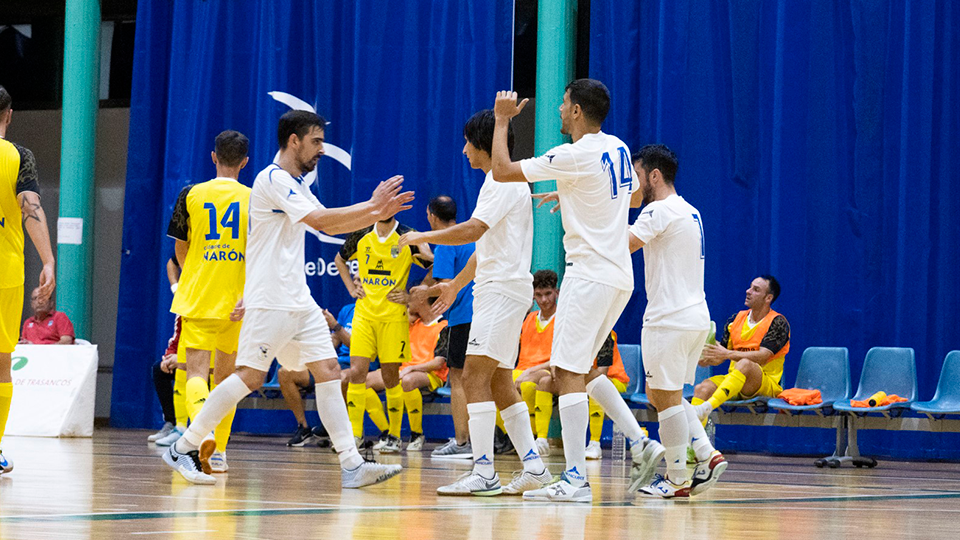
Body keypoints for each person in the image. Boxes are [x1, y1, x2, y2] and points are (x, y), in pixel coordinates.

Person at [161, 110, 410, 487]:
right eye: (316, 141)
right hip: (271, 298)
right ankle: (186, 445)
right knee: (249, 377)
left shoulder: (295, 182)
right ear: (293, 140)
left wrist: (374, 211)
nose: (322, 149)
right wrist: (373, 208)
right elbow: (323, 222)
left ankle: (351, 464)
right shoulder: (273, 179)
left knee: (328, 372)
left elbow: (327, 218)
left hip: (298, 299)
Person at [488, 81, 663, 502]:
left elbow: (502, 171)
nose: (559, 110)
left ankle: (575, 479)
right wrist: (571, 193)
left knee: (564, 372)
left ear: (579, 111)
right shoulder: (619, 147)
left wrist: (500, 120)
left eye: (565, 104)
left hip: (588, 275)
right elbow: (635, 195)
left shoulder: (572, 154)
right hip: (620, 274)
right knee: (581, 370)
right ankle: (641, 443)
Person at [400, 108, 551, 497]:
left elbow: (472, 230)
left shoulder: (501, 181)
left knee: (472, 376)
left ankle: (483, 470)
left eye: (468, 142)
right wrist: (453, 287)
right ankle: (533, 466)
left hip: (501, 293)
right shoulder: (499, 182)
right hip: (498, 289)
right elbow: (483, 247)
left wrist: (423, 236)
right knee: (500, 382)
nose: (464, 149)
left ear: (483, 144)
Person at [626, 144, 726, 498]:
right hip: (695, 315)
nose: (634, 186)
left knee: (665, 400)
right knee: (662, 394)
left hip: (668, 319)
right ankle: (705, 453)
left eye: (637, 177)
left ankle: (677, 479)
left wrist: (591, 212)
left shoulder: (658, 211)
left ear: (654, 176)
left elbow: (622, 244)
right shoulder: (690, 210)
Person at [166, 130, 252, 474]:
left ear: (213, 157)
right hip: (238, 301)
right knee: (228, 378)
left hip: (198, 297)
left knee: (196, 373)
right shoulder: (255, 198)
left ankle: (200, 437)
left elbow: (180, 249)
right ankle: (219, 452)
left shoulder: (190, 194)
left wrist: (199, 271)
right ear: (245, 163)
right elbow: (261, 251)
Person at [335, 215, 432, 453]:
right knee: (357, 372)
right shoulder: (362, 233)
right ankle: (355, 436)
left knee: (390, 377)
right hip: (364, 315)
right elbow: (339, 260)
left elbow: (433, 267)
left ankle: (394, 436)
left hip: (392, 317)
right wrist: (351, 287)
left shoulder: (409, 236)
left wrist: (412, 296)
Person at [0, 85, 56, 475]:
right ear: (8, 114)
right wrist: (48, 260)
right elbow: (29, 206)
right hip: (6, 272)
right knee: (2, 366)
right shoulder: (19, 156)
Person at [415, 196, 475, 459]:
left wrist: (419, 292)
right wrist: (431, 258)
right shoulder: (472, 237)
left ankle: (462, 442)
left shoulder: (446, 243)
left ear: (430, 215)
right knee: (483, 381)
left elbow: (445, 285)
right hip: (484, 313)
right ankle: (484, 440)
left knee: (459, 381)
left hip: (462, 318)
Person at [693, 276, 790, 421]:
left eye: (756, 290)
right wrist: (707, 358)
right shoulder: (734, 320)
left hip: (764, 384)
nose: (748, 291)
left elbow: (763, 356)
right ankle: (693, 441)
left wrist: (726, 354)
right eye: (750, 287)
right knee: (702, 388)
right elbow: (721, 356)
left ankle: (708, 407)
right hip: (734, 381)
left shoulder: (778, 322)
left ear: (768, 298)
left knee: (745, 363)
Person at [365, 295, 449, 451]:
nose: (408, 298)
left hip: (431, 374)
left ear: (423, 300)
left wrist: (412, 368)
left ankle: (417, 434)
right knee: (364, 382)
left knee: (408, 380)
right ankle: (387, 434)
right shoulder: (411, 323)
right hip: (403, 370)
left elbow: (439, 362)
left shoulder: (443, 326)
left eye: (413, 294)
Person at [513, 270, 558, 456]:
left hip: (548, 370)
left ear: (557, 292)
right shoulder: (529, 318)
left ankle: (539, 439)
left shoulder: (563, 318)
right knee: (492, 384)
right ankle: (512, 439)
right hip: (522, 368)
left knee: (531, 383)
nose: (544, 299)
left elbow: (558, 358)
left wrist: (530, 371)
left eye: (548, 294)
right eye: (538, 295)